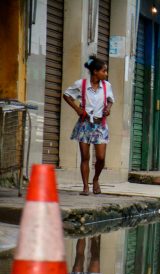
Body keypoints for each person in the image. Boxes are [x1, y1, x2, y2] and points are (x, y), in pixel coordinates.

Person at [63, 55, 114, 195]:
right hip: (85, 124)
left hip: (100, 125)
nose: (106, 73)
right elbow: (66, 95)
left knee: (101, 158)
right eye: (104, 71)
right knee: (85, 157)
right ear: (95, 72)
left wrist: (108, 108)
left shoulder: (107, 86)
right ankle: (85, 187)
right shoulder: (81, 84)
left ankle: (96, 179)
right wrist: (77, 109)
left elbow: (110, 100)